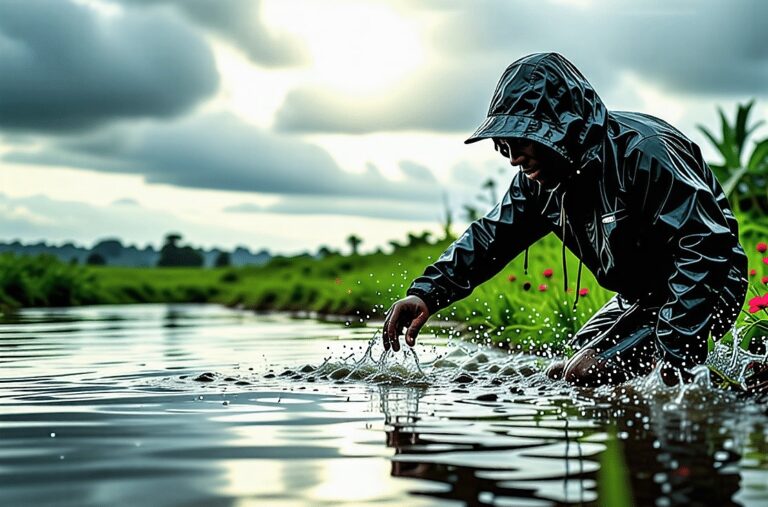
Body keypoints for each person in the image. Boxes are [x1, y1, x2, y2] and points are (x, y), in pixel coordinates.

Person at [382, 52, 748, 386]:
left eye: (520, 140)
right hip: (642, 295)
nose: (512, 158)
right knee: (562, 369)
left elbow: (706, 246)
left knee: (588, 372)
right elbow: (491, 237)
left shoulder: (643, 153)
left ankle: (727, 386)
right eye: (503, 146)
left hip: (710, 281)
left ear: (562, 128)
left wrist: (674, 359)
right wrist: (426, 294)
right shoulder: (538, 181)